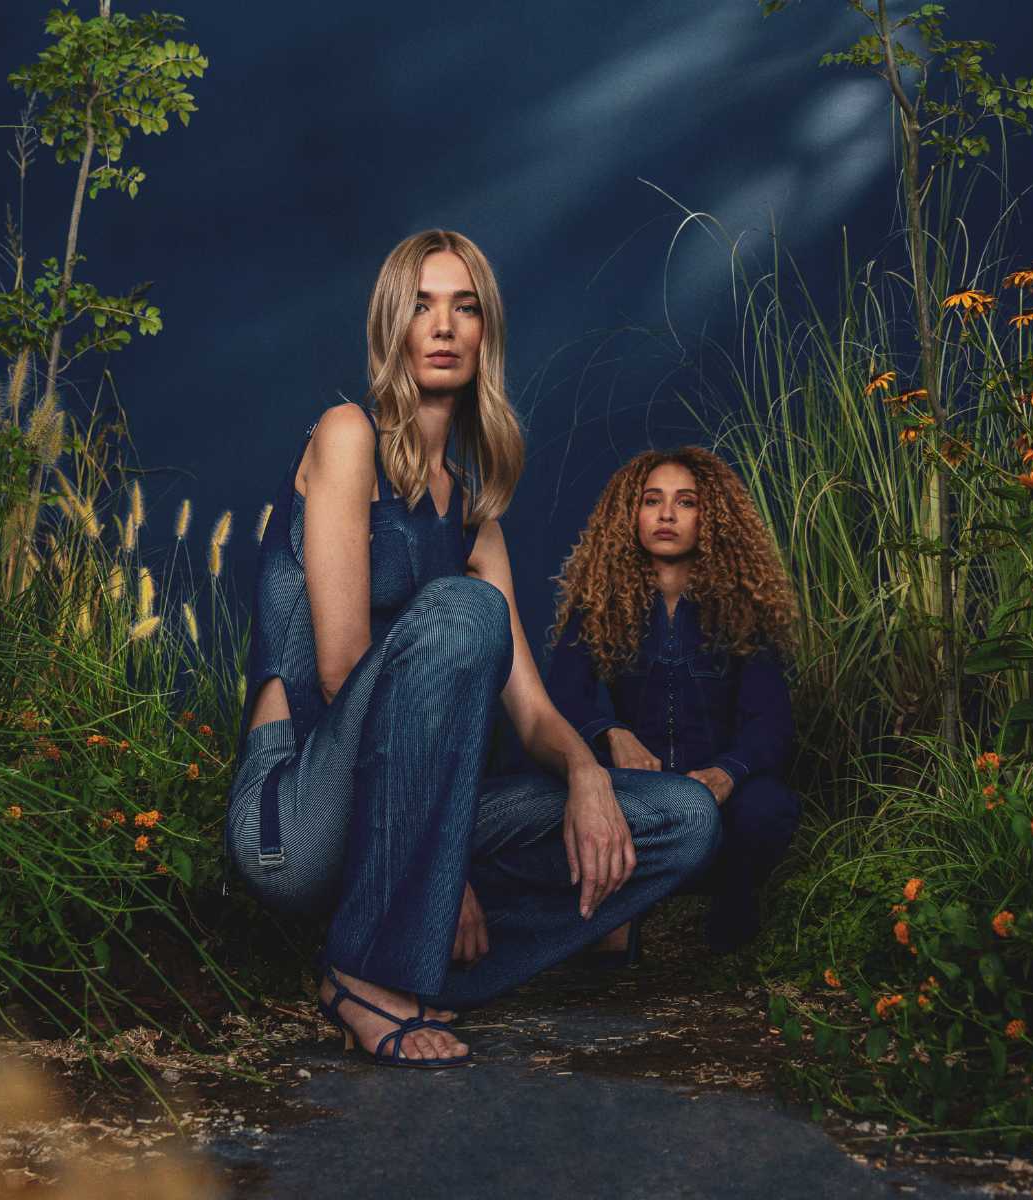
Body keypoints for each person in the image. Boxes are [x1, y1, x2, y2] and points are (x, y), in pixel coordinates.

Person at [226, 232, 720, 1068]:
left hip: (410, 816)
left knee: (685, 817)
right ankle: (363, 976)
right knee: (463, 608)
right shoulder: (347, 436)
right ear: (393, 326)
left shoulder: (476, 521)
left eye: (465, 307)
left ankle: (418, 950)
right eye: (421, 305)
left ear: (486, 332)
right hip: (297, 816)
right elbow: (343, 665)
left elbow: (530, 715)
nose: (443, 326)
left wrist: (589, 773)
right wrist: (440, 864)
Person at [546, 447, 800, 960]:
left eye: (685, 502)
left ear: (711, 519)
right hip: (634, 797)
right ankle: (617, 920)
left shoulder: (743, 609)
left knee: (768, 808)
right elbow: (561, 696)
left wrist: (728, 772)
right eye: (652, 501)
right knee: (553, 800)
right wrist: (611, 734)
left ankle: (729, 948)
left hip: (717, 797)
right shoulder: (598, 605)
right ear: (630, 515)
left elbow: (770, 721)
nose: (666, 515)